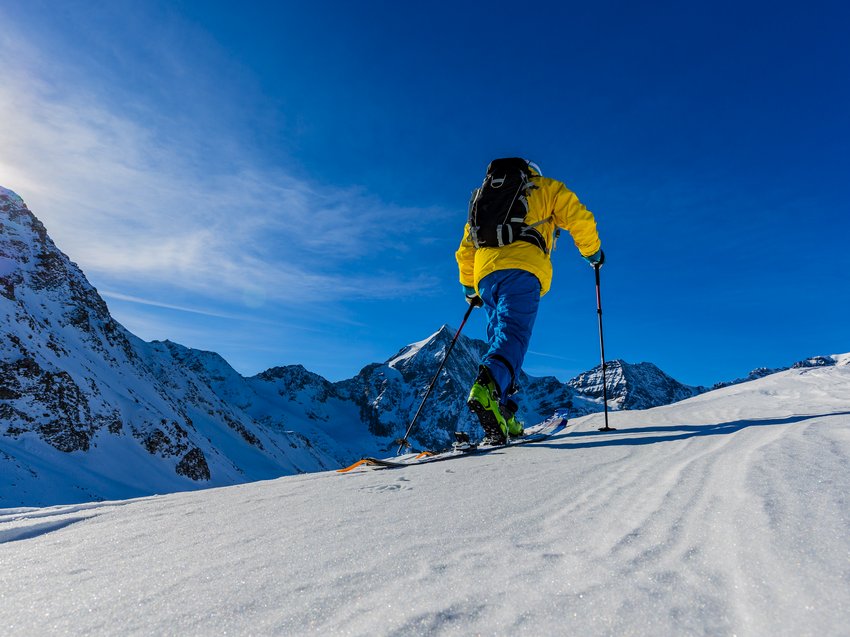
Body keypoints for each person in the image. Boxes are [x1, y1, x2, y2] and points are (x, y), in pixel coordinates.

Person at [456, 158, 603, 444]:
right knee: (514, 335)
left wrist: (468, 288)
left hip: (486, 276)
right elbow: (578, 217)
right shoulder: (544, 188)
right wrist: (592, 252)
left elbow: (466, 246)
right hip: (522, 268)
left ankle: (503, 412)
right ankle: (487, 388)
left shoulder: (483, 198)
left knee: (500, 337)